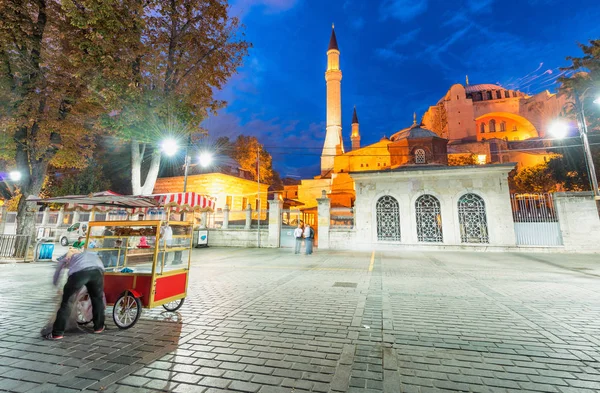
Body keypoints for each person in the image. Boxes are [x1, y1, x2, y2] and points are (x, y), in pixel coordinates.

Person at [43, 249, 105, 340]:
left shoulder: (69, 257)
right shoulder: (89, 254)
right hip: (97, 272)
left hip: (79, 273)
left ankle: (57, 333)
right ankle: (99, 327)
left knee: (67, 302)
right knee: (97, 299)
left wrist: (55, 284)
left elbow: (59, 269)